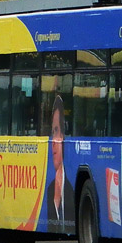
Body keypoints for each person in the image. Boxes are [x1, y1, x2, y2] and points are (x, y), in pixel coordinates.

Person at [46, 95, 75, 232]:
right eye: (52, 132)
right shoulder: (50, 190)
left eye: (57, 131)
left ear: (64, 136)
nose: (53, 142)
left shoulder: (71, 191)